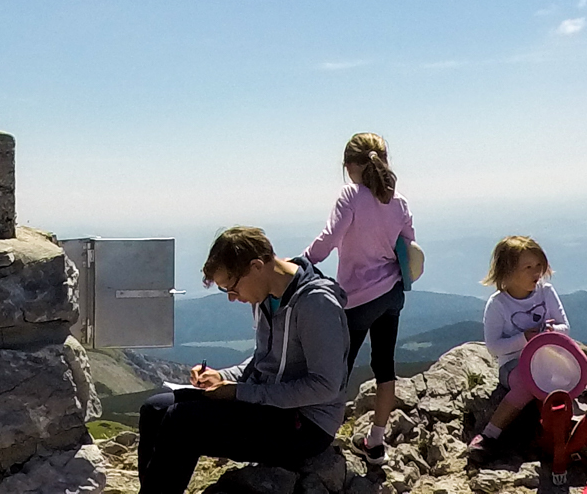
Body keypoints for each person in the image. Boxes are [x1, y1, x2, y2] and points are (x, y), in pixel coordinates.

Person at [138, 227, 347, 494]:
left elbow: (324, 386)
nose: (232, 297)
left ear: (257, 266)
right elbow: (263, 359)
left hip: (305, 424)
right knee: (154, 409)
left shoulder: (316, 304)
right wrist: (224, 378)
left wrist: (239, 392)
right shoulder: (267, 296)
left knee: (184, 421)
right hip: (271, 407)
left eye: (232, 286)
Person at [304, 133, 415, 466]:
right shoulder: (399, 202)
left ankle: (321, 437)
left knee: (337, 369)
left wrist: (303, 262)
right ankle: (376, 443)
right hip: (392, 294)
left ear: (350, 166)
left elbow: (330, 238)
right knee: (385, 367)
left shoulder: (350, 195)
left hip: (357, 300)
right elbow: (409, 248)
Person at [466, 236, 569, 464]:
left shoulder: (546, 292)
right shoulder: (498, 305)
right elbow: (494, 348)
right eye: (528, 267)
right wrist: (524, 339)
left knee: (575, 369)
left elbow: (565, 327)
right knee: (527, 383)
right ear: (508, 271)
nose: (537, 273)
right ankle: (489, 435)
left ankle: (560, 432)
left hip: (547, 355)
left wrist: (551, 331)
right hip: (513, 364)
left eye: (539, 266)